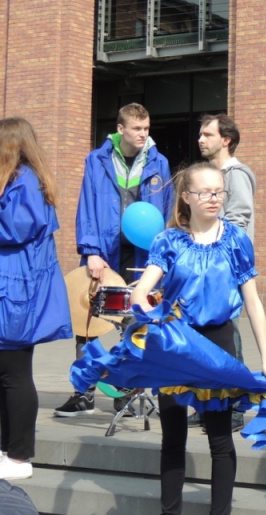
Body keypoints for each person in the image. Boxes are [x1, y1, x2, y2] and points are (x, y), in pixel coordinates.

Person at [129, 161, 266, 515]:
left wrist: (265, 357)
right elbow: (140, 292)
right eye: (205, 193)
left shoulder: (235, 240)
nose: (213, 199)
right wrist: (153, 322)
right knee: (173, 436)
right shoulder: (169, 241)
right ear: (186, 197)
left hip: (218, 343)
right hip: (178, 343)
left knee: (218, 437)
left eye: (219, 192)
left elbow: (253, 302)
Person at [55, 103, 173, 418]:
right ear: (120, 129)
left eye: (146, 129)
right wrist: (91, 250)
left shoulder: (158, 163)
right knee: (88, 323)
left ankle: (127, 394)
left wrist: (160, 258)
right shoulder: (96, 161)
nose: (143, 134)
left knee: (134, 325)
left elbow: (165, 212)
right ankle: (84, 394)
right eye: (137, 129)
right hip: (103, 256)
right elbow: (87, 206)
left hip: (141, 258)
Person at [0, 117, 72, 480]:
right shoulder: (8, 179)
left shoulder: (28, 181)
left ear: (13, 145)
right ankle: (8, 449)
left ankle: (20, 457)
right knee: (2, 374)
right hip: (3, 289)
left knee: (14, 374)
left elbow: (14, 228)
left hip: (16, 292)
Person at [197, 113, 257, 430]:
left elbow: (239, 222)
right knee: (204, 336)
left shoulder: (235, 175)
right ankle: (209, 401)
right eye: (201, 134)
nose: (201, 139)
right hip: (204, 268)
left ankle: (235, 405)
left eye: (208, 134)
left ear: (226, 140)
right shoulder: (210, 176)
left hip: (226, 269)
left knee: (228, 338)